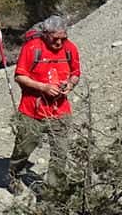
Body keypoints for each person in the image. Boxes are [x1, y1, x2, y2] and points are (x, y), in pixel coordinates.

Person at [8, 16, 82, 195]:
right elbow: (19, 76)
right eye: (55, 38)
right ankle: (14, 175)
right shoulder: (32, 48)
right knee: (24, 148)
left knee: (60, 153)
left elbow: (75, 73)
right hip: (32, 110)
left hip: (61, 111)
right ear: (46, 34)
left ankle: (52, 191)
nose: (59, 42)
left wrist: (70, 85)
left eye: (63, 38)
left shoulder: (70, 48)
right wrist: (44, 87)